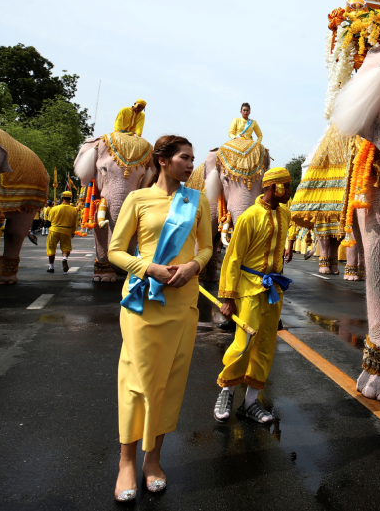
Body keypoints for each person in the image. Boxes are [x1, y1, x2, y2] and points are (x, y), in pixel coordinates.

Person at [108, 135, 211, 501]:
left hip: (182, 302)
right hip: (142, 302)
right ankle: (125, 462)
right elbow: (116, 251)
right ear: (163, 160)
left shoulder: (197, 201)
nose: (191, 163)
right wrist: (146, 267)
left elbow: (208, 246)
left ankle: (153, 460)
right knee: (136, 379)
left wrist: (193, 265)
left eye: (193, 158)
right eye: (185, 157)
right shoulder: (137, 199)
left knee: (169, 381)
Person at [213, 167, 293, 425]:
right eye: (286, 186)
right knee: (244, 343)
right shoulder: (249, 216)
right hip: (248, 289)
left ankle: (250, 402)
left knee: (266, 344)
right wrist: (227, 297)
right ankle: (226, 391)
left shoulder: (285, 214)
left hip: (273, 290)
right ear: (273, 188)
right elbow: (233, 258)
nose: (289, 192)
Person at [45, 191, 78, 273]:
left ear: (62, 198)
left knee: (51, 248)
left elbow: (49, 221)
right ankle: (64, 258)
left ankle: (51, 267)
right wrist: (73, 232)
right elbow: (75, 223)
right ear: (70, 199)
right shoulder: (74, 210)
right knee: (66, 247)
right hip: (66, 230)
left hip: (54, 230)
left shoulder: (54, 208)